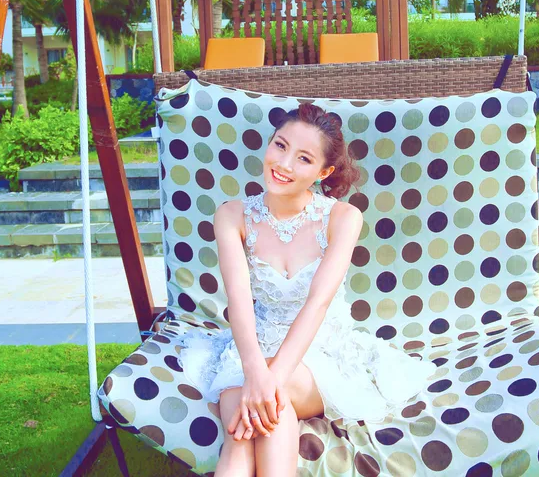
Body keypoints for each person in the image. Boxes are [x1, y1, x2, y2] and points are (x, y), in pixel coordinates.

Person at [171, 103, 435, 477]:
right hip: (251, 349)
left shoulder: (343, 218)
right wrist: (255, 372)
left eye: (304, 158)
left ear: (323, 172)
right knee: (245, 432)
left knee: (265, 407)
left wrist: (268, 382)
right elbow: (239, 301)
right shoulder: (232, 215)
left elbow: (318, 303)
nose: (284, 164)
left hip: (319, 351)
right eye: (280, 146)